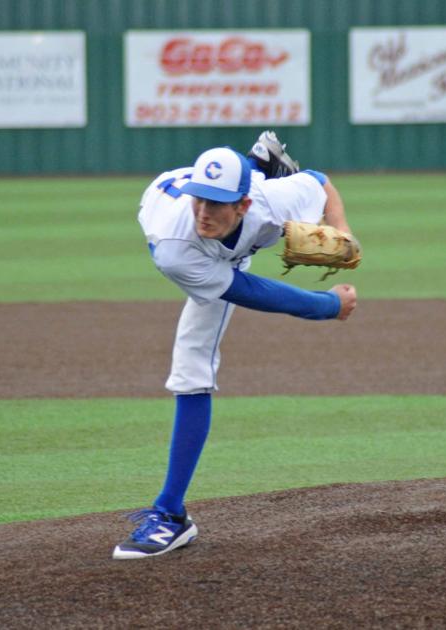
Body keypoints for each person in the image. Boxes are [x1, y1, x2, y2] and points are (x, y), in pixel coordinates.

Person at [112, 134, 358, 560]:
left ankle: (256, 165)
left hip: (246, 211)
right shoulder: (176, 249)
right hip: (183, 230)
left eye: (216, 203)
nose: (204, 212)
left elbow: (319, 182)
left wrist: (343, 233)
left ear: (243, 205)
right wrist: (327, 305)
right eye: (200, 201)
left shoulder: (268, 202)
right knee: (192, 367)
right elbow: (248, 291)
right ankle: (170, 515)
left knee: (192, 370)